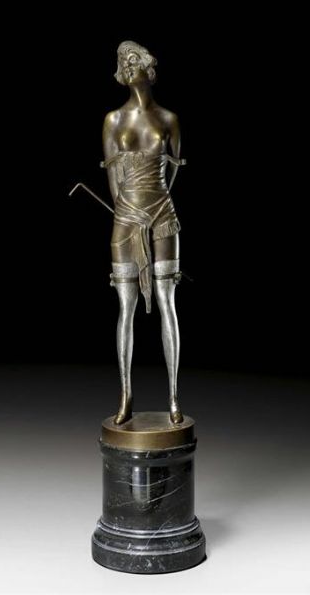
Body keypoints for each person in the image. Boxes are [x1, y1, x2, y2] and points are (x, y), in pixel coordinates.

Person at [101, 41, 185, 425]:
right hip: (126, 216)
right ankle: (126, 395)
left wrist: (155, 201)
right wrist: (129, 212)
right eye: (123, 61)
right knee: (126, 307)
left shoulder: (169, 119)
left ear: (147, 66)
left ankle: (173, 397)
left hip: (163, 213)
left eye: (133, 59)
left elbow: (174, 170)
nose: (127, 65)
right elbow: (112, 179)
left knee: (168, 302)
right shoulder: (113, 121)